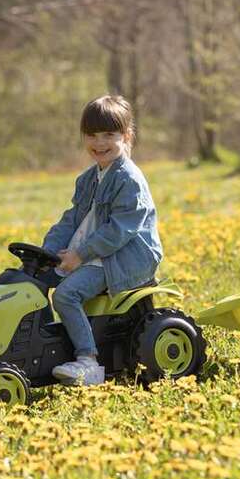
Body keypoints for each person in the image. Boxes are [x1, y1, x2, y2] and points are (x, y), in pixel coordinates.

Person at [38, 95, 163, 386]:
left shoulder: (128, 179)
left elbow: (120, 229)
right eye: (92, 135)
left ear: (126, 136)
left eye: (109, 134)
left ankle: (88, 361)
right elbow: (71, 219)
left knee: (66, 295)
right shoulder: (87, 179)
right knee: (36, 282)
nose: (99, 142)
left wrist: (80, 254)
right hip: (92, 253)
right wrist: (46, 252)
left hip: (124, 257)